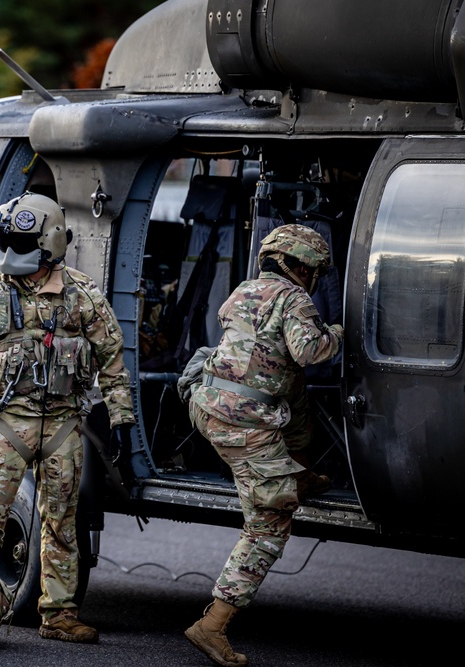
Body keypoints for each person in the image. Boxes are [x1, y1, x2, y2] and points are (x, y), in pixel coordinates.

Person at [0, 192, 136, 644]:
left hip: (65, 425)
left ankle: (59, 615)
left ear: (52, 243)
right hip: (9, 426)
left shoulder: (82, 296)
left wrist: (121, 418)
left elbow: (112, 362)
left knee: (63, 523)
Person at [184, 223, 343, 667]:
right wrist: (336, 333)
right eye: (312, 270)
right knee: (269, 524)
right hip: (244, 425)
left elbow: (275, 362)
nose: (313, 278)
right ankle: (212, 625)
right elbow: (309, 351)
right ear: (297, 266)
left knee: (292, 398)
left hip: (209, 405)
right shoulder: (295, 299)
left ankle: (294, 476)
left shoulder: (244, 291)